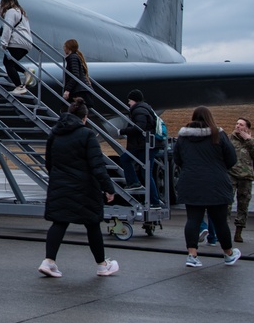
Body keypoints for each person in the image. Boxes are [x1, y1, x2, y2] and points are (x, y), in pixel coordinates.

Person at [38, 97, 120, 278]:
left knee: (59, 222)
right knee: (92, 225)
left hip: (60, 184)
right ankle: (102, 265)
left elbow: (49, 162)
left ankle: (48, 261)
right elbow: (97, 165)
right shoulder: (87, 134)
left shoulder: (55, 133)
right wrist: (108, 188)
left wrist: (58, 178)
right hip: (84, 187)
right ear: (84, 118)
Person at [175, 106, 241, 268]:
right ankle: (228, 254)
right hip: (216, 182)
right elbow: (232, 159)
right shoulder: (218, 135)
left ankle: (192, 255)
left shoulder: (183, 137)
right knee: (220, 221)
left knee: (193, 220)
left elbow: (177, 159)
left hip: (191, 181)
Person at [118, 89, 162, 205]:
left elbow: (139, 127)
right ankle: (151, 198)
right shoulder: (144, 108)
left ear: (134, 100)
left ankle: (153, 200)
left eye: (130, 100)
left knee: (143, 171)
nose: (128, 103)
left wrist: (122, 131)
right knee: (144, 171)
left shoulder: (139, 110)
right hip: (143, 145)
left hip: (142, 146)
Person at [229, 117, 254, 243]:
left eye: (241, 125)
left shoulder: (251, 142)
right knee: (226, 203)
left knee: (243, 205)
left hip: (246, 177)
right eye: (237, 124)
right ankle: (223, 230)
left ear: (247, 128)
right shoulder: (229, 139)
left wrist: (248, 139)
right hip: (231, 175)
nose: (238, 126)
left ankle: (239, 232)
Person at [0, 0, 33, 95]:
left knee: (7, 63)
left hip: (17, 42)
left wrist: (3, 44)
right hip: (26, 43)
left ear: (9, 2)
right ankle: (27, 72)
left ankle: (19, 87)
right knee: (12, 62)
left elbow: (8, 28)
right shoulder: (22, 13)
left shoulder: (11, 11)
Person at [62, 39, 91, 106]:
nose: (64, 49)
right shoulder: (75, 57)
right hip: (80, 90)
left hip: (78, 91)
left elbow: (75, 75)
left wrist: (67, 90)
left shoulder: (73, 58)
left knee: (74, 112)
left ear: (68, 48)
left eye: (65, 46)